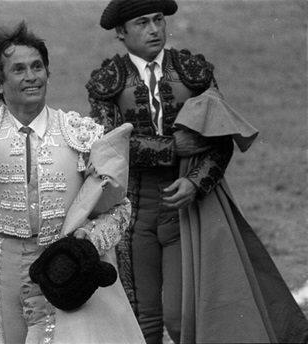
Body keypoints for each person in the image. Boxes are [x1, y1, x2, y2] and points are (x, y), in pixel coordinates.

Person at [86, 0, 308, 343]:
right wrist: (173, 149)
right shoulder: (107, 82)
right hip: (132, 213)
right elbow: (108, 148)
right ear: (121, 32)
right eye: (142, 23)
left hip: (184, 211)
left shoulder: (193, 71)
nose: (154, 29)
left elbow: (221, 140)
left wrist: (195, 182)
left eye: (158, 20)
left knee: (181, 319)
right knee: (142, 320)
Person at [0, 21, 145, 344]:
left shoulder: (78, 132)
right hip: (4, 265)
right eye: (19, 69)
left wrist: (89, 242)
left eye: (37, 67)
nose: (32, 77)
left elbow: (120, 208)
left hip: (63, 264)